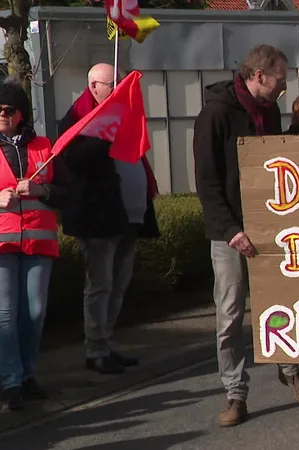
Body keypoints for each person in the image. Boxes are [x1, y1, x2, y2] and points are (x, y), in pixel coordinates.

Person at [193, 44, 299, 428]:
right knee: (231, 314)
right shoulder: (215, 114)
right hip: (228, 233)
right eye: (280, 78)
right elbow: (207, 182)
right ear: (259, 75)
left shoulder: (268, 112)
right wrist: (232, 231)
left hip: (268, 227)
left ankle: (290, 369)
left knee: (280, 303)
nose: (284, 86)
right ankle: (235, 393)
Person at [57, 63, 159, 375]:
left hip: (129, 214)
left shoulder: (122, 114)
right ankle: (95, 349)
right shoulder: (78, 119)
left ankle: (107, 342)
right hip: (99, 217)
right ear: (94, 86)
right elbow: (72, 160)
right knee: (100, 285)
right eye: (111, 82)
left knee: (118, 285)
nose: (117, 88)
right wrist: (103, 134)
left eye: (119, 81)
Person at [0, 78, 66, 411]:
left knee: (35, 313)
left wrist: (41, 191)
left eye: (8, 110)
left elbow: (65, 191)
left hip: (38, 243)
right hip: (1, 245)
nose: (1, 114)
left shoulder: (44, 146)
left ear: (21, 113)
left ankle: (27, 374)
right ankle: (11, 382)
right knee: (5, 316)